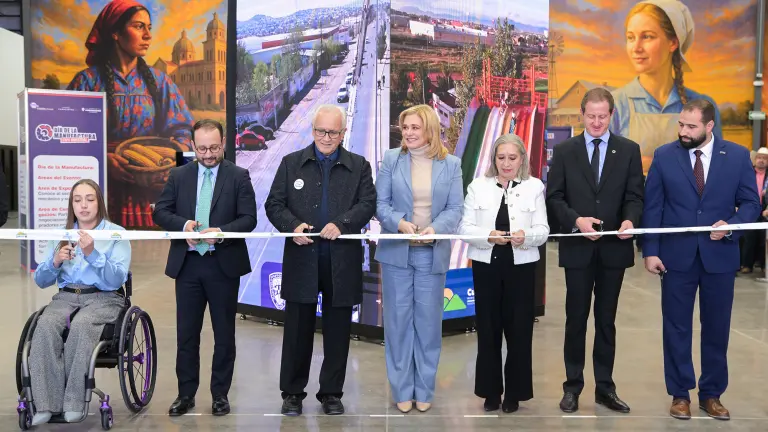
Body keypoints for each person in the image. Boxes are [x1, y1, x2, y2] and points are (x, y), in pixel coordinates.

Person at [642, 99, 760, 420]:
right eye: (681, 124)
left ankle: (712, 394)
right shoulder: (665, 156)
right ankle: (680, 394)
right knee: (676, 327)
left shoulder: (736, 156)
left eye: (691, 126)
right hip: (676, 258)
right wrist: (650, 250)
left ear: (709, 127)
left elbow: (750, 203)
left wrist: (731, 226)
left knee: (717, 328)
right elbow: (653, 207)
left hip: (720, 257)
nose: (683, 131)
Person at [264, 104, 376, 416]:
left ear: (343, 134)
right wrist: (291, 226)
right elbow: (274, 204)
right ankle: (292, 394)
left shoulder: (359, 166)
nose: (326, 137)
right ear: (313, 131)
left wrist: (344, 223)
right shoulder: (291, 163)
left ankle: (331, 394)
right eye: (321, 131)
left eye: (333, 132)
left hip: (342, 262)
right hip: (302, 259)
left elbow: (368, 203)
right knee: (297, 331)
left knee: (338, 332)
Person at [546, 87, 644, 414]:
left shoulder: (629, 151)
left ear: (611, 115)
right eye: (592, 116)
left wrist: (630, 220)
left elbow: (634, 195)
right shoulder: (564, 152)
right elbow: (554, 198)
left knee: (606, 321)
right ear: (582, 114)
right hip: (578, 250)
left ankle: (605, 388)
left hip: (614, 251)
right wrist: (576, 221)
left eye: (603, 116)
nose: (597, 122)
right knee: (576, 320)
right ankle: (572, 387)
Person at [152, 119, 257, 417]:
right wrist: (183, 225)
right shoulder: (178, 175)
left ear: (223, 143)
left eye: (214, 148)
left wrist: (221, 231)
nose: (208, 154)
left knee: (224, 335)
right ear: (192, 146)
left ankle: (220, 395)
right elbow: (161, 211)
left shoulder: (238, 176)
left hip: (223, 266)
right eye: (202, 148)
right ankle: (186, 394)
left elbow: (249, 219)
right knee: (187, 334)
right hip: (187, 267)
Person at [67, 0, 195, 220]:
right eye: (138, 26)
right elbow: (67, 140)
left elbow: (185, 133)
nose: (148, 35)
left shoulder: (161, 82)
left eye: (149, 28)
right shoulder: (87, 82)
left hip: (151, 197)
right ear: (115, 32)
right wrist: (102, 160)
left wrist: (172, 170)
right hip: (99, 194)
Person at [374, 104, 463, 413]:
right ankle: (401, 388)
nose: (408, 133)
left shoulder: (451, 165)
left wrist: (435, 229)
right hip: (397, 254)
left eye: (414, 127)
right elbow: (380, 204)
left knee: (427, 327)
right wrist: (399, 222)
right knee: (398, 325)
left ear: (429, 130)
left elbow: (455, 209)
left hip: (431, 255)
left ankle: (424, 389)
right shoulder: (391, 160)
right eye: (405, 127)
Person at [458, 134, 549, 413]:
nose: (506, 163)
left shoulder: (535, 187)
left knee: (519, 331)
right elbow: (464, 229)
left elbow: (543, 231)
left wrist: (527, 236)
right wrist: (489, 236)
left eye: (512, 157)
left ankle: (515, 393)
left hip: (521, 269)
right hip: (486, 268)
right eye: (501, 157)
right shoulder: (477, 187)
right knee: (488, 330)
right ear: (493, 159)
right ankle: (490, 392)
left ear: (522, 159)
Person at [29, 179, 130, 425]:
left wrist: (93, 254)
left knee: (82, 326)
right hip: (65, 298)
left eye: (90, 199)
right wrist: (54, 262)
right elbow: (41, 281)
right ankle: (46, 403)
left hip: (104, 298)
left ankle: (74, 401)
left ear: (99, 203)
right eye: (77, 200)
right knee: (44, 326)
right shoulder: (61, 234)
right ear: (71, 205)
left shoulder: (116, 233)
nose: (83, 205)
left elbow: (116, 279)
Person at [610, 0, 721, 174]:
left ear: (673, 43)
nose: (636, 48)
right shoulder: (614, 104)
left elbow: (715, 171)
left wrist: (648, 163)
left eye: (647, 36)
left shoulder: (705, 107)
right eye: (631, 38)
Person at [740, 147, 768, 273]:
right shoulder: (747, 172)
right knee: (748, 238)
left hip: (765, 210)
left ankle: (763, 265)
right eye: (759, 158)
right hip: (749, 208)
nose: (761, 161)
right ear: (755, 159)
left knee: (763, 239)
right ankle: (746, 265)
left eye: (764, 159)